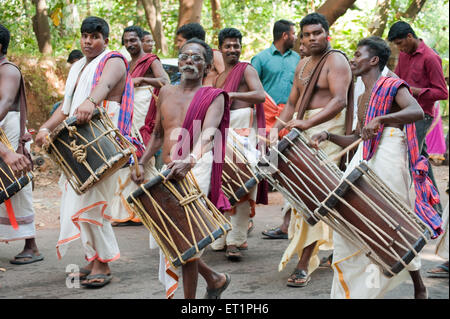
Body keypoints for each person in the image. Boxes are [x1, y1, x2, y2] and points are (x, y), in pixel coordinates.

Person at [311, 36, 441, 299]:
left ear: (373, 60)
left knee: (394, 221)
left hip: (392, 153)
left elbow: (416, 111)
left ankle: (418, 285)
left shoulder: (392, 85)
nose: (352, 59)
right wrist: (328, 136)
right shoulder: (361, 96)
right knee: (353, 216)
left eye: (358, 55)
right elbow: (360, 137)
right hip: (366, 156)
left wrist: (382, 118)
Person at [35, 16, 140, 288]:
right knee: (79, 199)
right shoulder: (78, 67)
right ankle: (92, 257)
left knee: (93, 199)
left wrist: (91, 101)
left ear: (105, 38)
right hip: (80, 142)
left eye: (94, 36)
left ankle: (103, 264)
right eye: (84, 36)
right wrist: (44, 128)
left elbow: (103, 87)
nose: (87, 41)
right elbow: (65, 108)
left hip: (102, 140)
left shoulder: (114, 59)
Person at [131, 38, 231, 299]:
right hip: (166, 170)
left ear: (208, 65)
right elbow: (157, 133)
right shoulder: (165, 91)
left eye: (196, 57)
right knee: (170, 237)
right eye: (185, 56)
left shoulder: (214, 96)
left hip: (195, 168)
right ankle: (214, 278)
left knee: (187, 239)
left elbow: (209, 134)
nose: (189, 61)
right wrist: (141, 162)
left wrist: (191, 160)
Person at [270, 13, 354, 288]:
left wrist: (307, 122)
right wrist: (275, 130)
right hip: (303, 131)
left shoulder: (336, 60)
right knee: (299, 195)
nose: (311, 38)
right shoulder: (303, 63)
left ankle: (304, 263)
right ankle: (340, 248)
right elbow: (293, 103)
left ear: (326, 34)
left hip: (326, 133)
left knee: (314, 196)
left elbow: (339, 101)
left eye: (316, 33)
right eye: (306, 34)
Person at [210, 27, 267, 261]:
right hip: (224, 131)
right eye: (228, 46)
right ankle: (223, 234)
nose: (233, 49)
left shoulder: (247, 69)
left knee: (242, 185)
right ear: (220, 48)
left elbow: (261, 95)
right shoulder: (219, 77)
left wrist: (231, 97)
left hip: (243, 129)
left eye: (236, 45)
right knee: (222, 185)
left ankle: (237, 239)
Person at [110, 26, 169, 227]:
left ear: (141, 40)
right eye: (126, 41)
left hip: (144, 111)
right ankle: (129, 212)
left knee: (144, 156)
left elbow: (165, 81)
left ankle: (151, 208)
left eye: (133, 40)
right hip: (128, 111)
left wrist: (142, 79)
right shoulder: (126, 63)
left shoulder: (151, 60)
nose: (130, 44)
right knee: (127, 155)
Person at [388, 21, 448, 216]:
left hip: (422, 115)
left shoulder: (431, 58)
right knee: (420, 160)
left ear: (409, 37)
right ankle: (436, 208)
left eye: (400, 43)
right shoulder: (404, 55)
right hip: (404, 113)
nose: (399, 48)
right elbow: (396, 78)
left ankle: (400, 210)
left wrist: (416, 91)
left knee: (409, 160)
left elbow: (442, 92)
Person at [251, 19, 300, 240]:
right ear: (284, 36)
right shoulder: (260, 59)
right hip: (266, 122)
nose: (297, 37)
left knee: (290, 170)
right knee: (258, 168)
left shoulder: (299, 59)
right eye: (294, 33)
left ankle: (287, 224)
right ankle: (245, 218)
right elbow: (253, 92)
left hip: (291, 121)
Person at [0, 23, 43, 265]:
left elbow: (5, 102)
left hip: (9, 128)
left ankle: (32, 245)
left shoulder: (8, 70)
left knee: (15, 183)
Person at [50, 50, 85, 115]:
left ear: (81, 59)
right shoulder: (74, 72)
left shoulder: (86, 72)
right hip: (71, 100)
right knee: (56, 107)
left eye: (74, 62)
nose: (73, 65)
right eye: (72, 63)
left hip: (80, 102)